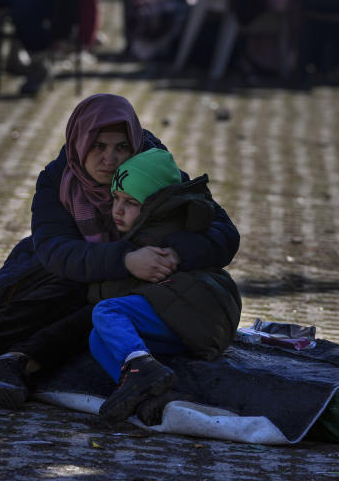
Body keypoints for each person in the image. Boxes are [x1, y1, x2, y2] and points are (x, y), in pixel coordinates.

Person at [0, 94, 240, 404]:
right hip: (47, 273)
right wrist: (126, 260)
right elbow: (57, 252)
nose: (109, 159)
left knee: (102, 300)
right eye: (98, 146)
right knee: (73, 286)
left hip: (116, 287)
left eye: (120, 147)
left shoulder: (153, 170)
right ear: (80, 143)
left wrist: (176, 253)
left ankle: (16, 364)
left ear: (134, 145)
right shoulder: (58, 180)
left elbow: (223, 232)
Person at [89, 148, 242, 423]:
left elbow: (115, 292)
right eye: (116, 198)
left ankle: (142, 371)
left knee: (107, 312)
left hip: (201, 311)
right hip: (185, 317)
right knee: (97, 338)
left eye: (131, 202)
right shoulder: (149, 226)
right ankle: (152, 397)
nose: (118, 210)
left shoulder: (154, 234)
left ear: (151, 205)